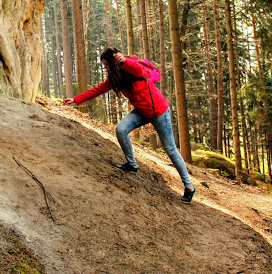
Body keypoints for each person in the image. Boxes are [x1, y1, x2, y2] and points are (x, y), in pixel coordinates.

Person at [63, 47, 196, 203]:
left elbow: (139, 69)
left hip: (160, 112)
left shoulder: (132, 67)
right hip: (142, 112)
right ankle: (132, 165)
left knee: (170, 149)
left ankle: (189, 186)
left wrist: (126, 61)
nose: (105, 68)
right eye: (104, 65)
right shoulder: (114, 78)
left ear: (114, 62)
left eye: (107, 65)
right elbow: (97, 90)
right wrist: (76, 99)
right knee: (120, 129)